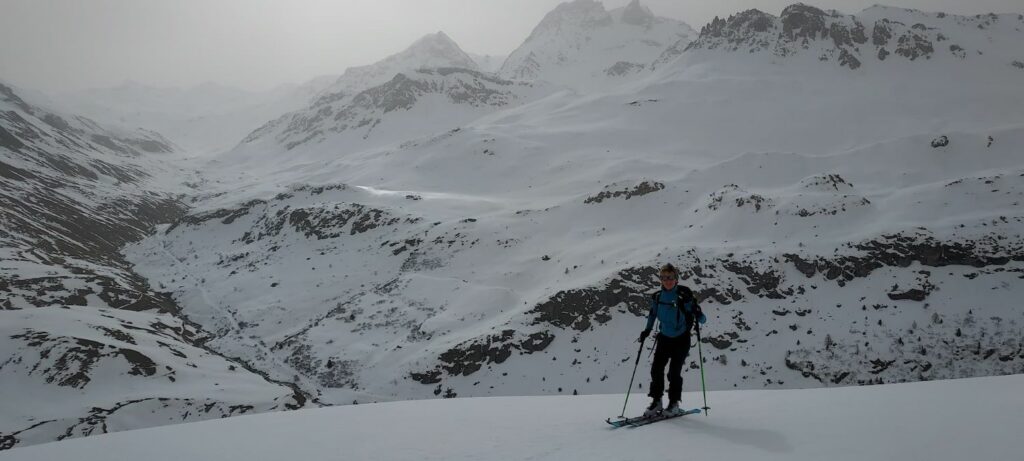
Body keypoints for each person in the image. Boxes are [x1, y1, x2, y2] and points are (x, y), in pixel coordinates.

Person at [638, 263, 706, 416]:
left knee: (673, 373)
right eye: (664, 278)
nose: (667, 281)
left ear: (676, 279)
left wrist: (697, 312)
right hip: (664, 338)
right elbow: (652, 314)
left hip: (681, 340)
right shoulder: (658, 297)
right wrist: (647, 330)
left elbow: (702, 319)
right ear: (660, 280)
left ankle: (673, 403)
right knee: (656, 370)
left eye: (670, 277)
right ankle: (657, 401)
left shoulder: (683, 296)